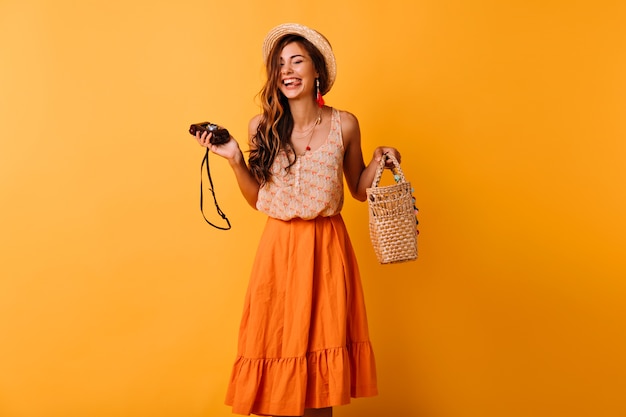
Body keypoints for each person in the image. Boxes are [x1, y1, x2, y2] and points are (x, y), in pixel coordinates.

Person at [195, 23, 401, 417]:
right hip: (278, 253)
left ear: (316, 71)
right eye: (280, 64)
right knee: (274, 359)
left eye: (297, 61)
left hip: (327, 252)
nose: (287, 70)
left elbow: (358, 190)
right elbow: (259, 199)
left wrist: (378, 160)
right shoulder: (262, 127)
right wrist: (236, 160)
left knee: (320, 384)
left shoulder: (344, 124)